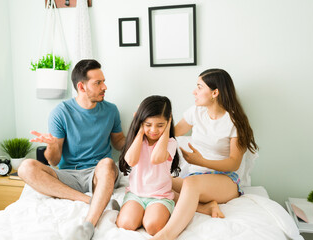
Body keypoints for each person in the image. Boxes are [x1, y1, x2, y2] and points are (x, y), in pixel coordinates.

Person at [18, 59, 125, 240]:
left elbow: (119, 143)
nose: (104, 86)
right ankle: (90, 200)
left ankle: (88, 225)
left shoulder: (111, 110)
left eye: (103, 81)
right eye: (98, 83)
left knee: (107, 163)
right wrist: (52, 146)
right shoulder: (60, 112)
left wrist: (141, 133)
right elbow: (53, 161)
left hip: (99, 174)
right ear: (82, 87)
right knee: (25, 167)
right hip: (69, 174)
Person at [151, 69, 258, 240]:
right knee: (157, 179)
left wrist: (202, 161)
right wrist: (154, 125)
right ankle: (205, 208)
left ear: (215, 93)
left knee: (191, 183)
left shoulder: (233, 122)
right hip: (196, 177)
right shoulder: (196, 112)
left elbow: (234, 163)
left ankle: (166, 235)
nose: (194, 91)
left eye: (200, 87)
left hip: (226, 179)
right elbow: (173, 132)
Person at [116, 95, 180, 236]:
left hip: (160, 197)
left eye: (160, 125)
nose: (153, 130)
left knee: (152, 227)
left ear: (168, 122)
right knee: (126, 224)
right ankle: (136, 212)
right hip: (136, 194)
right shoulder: (137, 141)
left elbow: (156, 158)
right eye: (148, 124)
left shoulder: (170, 143)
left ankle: (148, 214)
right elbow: (130, 161)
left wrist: (167, 127)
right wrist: (139, 130)